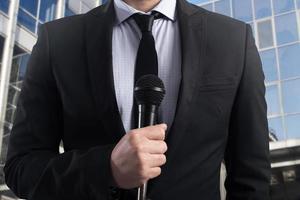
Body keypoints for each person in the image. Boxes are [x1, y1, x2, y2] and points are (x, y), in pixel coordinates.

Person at [4, 0, 271, 199]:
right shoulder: (58, 40)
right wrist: (105, 168)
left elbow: (252, 179)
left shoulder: (233, 40)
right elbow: (21, 168)